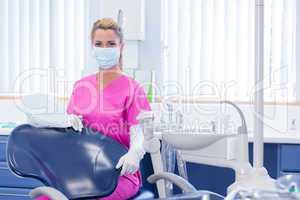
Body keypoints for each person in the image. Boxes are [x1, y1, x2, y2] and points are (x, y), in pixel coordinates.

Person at [32, 18, 151, 200]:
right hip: (82, 171)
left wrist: (134, 153)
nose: (104, 48)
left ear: (121, 46)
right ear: (92, 46)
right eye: (99, 44)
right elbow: (69, 134)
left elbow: (140, 132)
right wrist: (67, 125)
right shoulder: (81, 86)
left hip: (118, 175)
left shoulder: (133, 88)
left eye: (110, 43)